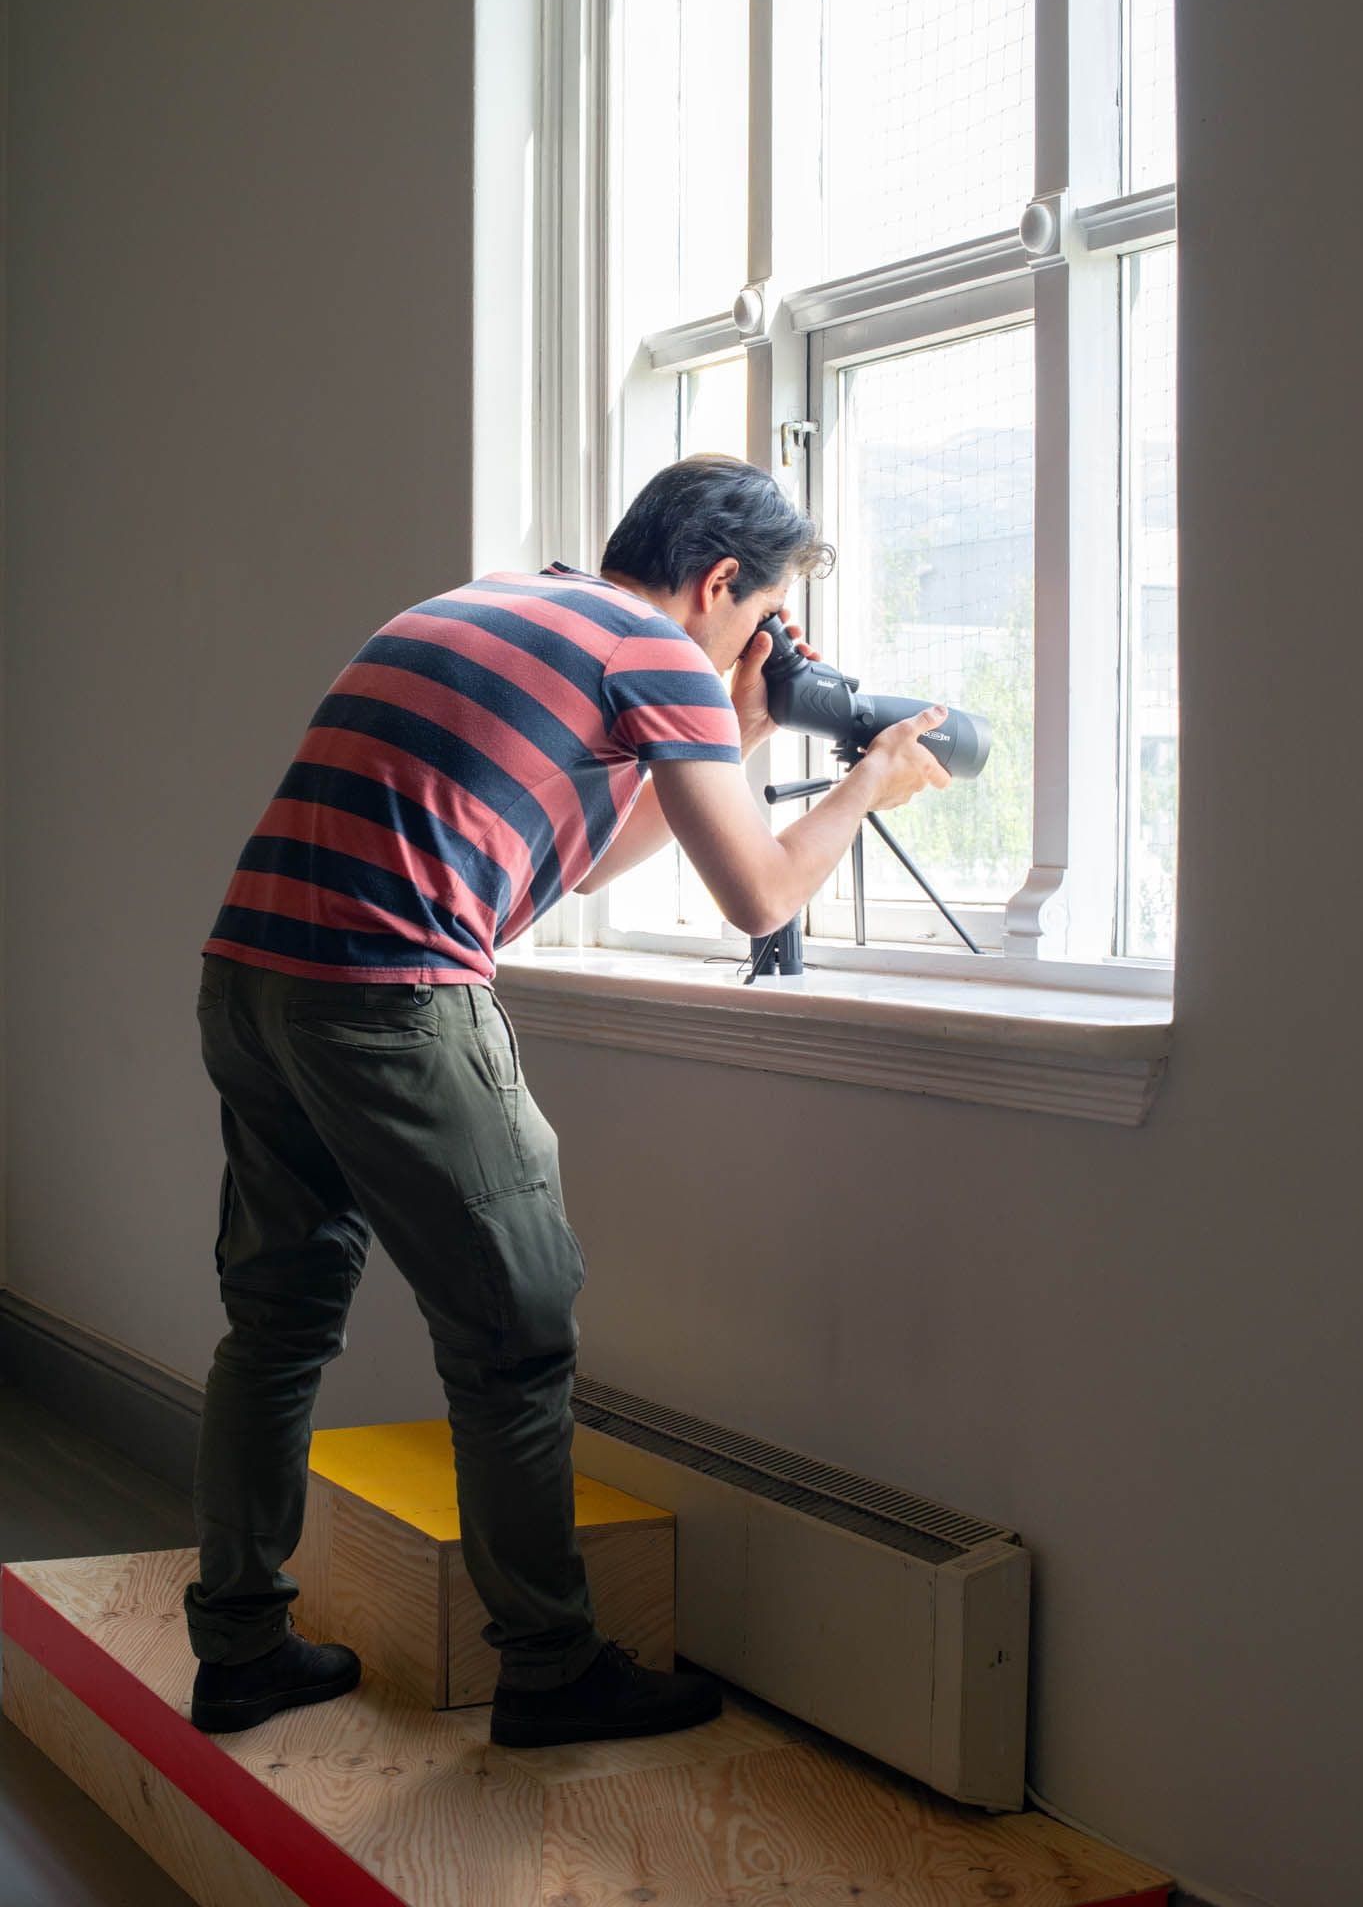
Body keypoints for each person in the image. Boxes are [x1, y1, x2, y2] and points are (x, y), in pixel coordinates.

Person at [185, 454, 951, 1745]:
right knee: (516, 1330)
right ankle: (550, 1667)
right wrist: (868, 779)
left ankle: (239, 1649)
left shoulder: (494, 605)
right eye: (757, 612)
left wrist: (744, 724)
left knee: (275, 1324)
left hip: (252, 981)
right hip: (389, 994)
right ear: (718, 584)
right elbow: (760, 895)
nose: (754, 640)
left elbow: (590, 863)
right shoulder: (655, 653)